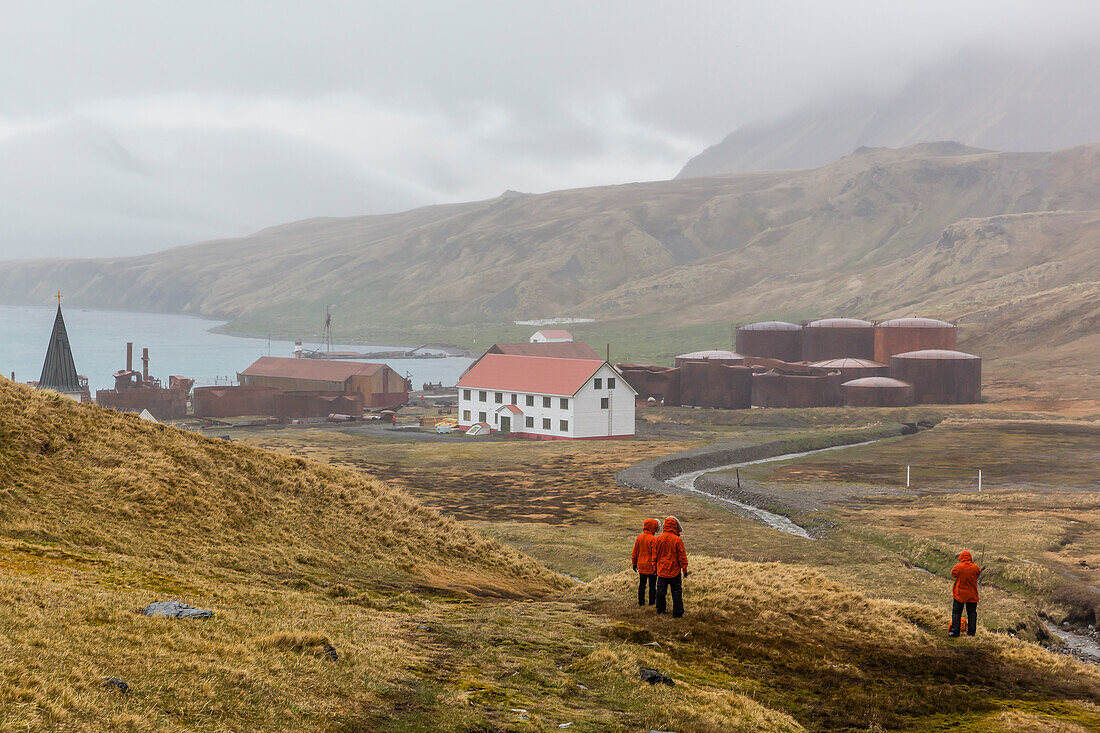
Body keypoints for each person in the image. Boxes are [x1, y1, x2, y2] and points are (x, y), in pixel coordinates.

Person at [653, 515, 689, 617]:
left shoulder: (658, 538)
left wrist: (655, 568)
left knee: (660, 591)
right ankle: (678, 613)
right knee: (676, 592)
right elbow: (682, 557)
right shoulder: (677, 540)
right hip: (675, 572)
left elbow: (655, 555)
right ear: (675, 526)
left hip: (662, 571)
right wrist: (685, 570)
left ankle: (660, 610)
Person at [949, 550, 982, 637]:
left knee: (956, 612)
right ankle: (971, 633)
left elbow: (953, 574)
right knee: (972, 613)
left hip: (960, 594)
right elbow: (978, 572)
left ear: (962, 557)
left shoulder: (959, 566)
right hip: (972, 595)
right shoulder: (975, 567)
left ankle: (955, 632)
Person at [632, 518, 660, 606]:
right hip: (651, 567)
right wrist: (656, 567)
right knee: (652, 586)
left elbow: (635, 551)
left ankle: (641, 602)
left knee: (642, 585)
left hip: (641, 565)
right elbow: (655, 555)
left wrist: (634, 563)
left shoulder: (639, 537)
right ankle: (651, 603)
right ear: (653, 527)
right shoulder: (653, 539)